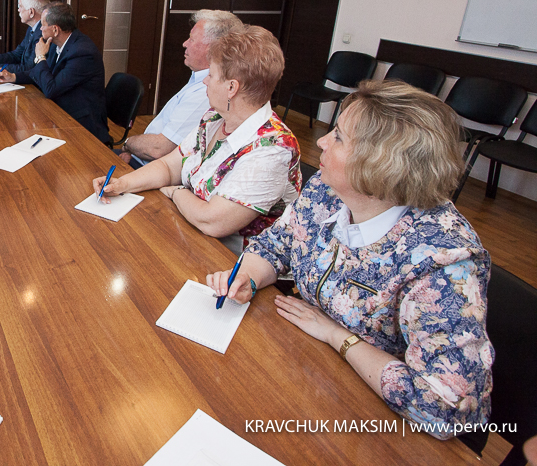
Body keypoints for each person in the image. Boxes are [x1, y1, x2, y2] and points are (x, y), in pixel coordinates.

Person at [208, 80, 493, 439]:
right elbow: (277, 245)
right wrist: (246, 277)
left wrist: (336, 336)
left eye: (339, 137)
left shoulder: (443, 260)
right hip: (306, 369)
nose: (322, 142)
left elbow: (446, 408)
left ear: (381, 164)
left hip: (374, 423)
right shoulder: (326, 190)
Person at [94, 25, 301, 249]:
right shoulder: (215, 118)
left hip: (228, 258)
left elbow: (212, 221)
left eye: (211, 75)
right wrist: (123, 184)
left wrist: (176, 192)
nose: (205, 82)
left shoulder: (273, 148)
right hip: (187, 231)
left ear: (232, 87)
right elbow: (168, 166)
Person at [118, 9, 242, 169]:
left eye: (192, 39)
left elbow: (158, 149)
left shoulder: (206, 92)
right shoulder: (198, 79)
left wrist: (128, 144)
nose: (185, 44)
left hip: (148, 167)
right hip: (141, 158)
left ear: (212, 49)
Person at [0, 1, 110, 144]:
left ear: (55, 29)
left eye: (43, 25)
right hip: (59, 111)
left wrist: (40, 56)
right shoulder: (58, 43)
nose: (40, 28)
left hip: (81, 124)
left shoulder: (82, 52)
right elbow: (42, 73)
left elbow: (51, 89)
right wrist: (13, 77)